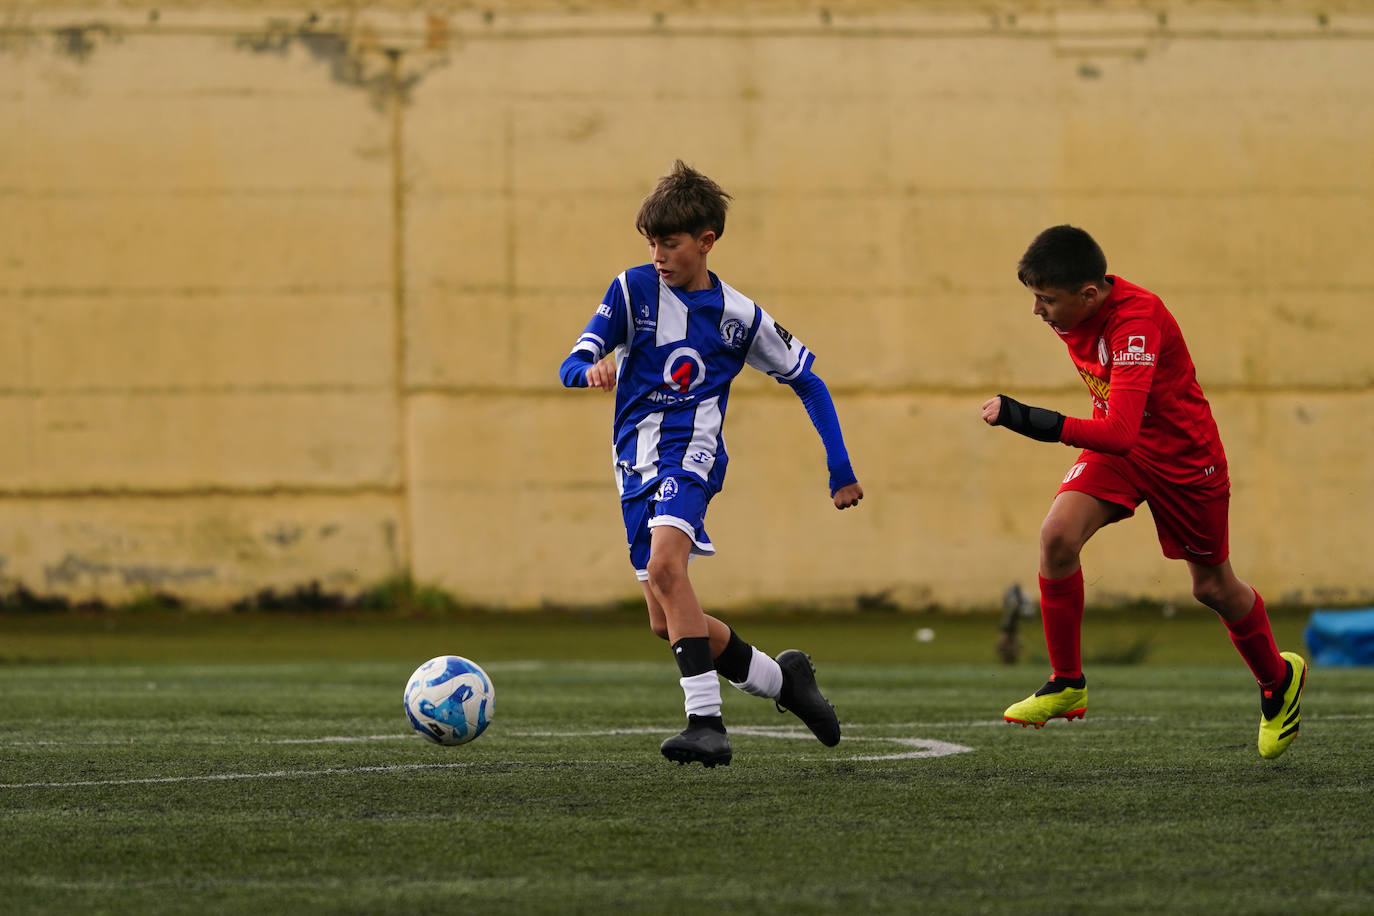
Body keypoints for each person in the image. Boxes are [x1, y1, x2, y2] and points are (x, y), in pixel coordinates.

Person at [558, 160, 864, 768]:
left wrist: (840, 468)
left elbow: (809, 381)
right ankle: (786, 682)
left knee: (670, 571)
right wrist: (590, 370)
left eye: (669, 243)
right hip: (633, 465)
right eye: (650, 243)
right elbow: (573, 361)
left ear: (706, 241)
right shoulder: (630, 290)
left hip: (691, 456)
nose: (658, 255)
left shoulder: (739, 317)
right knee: (665, 618)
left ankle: (705, 722)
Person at [981, 225, 1305, 760]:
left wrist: (1026, 418)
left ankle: (1277, 681)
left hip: (1184, 461)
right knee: (1057, 537)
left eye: (1046, 300)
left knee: (1213, 588)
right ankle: (1067, 683)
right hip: (1124, 454)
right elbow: (1122, 437)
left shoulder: (1136, 322)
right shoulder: (1077, 312)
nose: (1037, 312)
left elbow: (1121, 431)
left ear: (1089, 294)